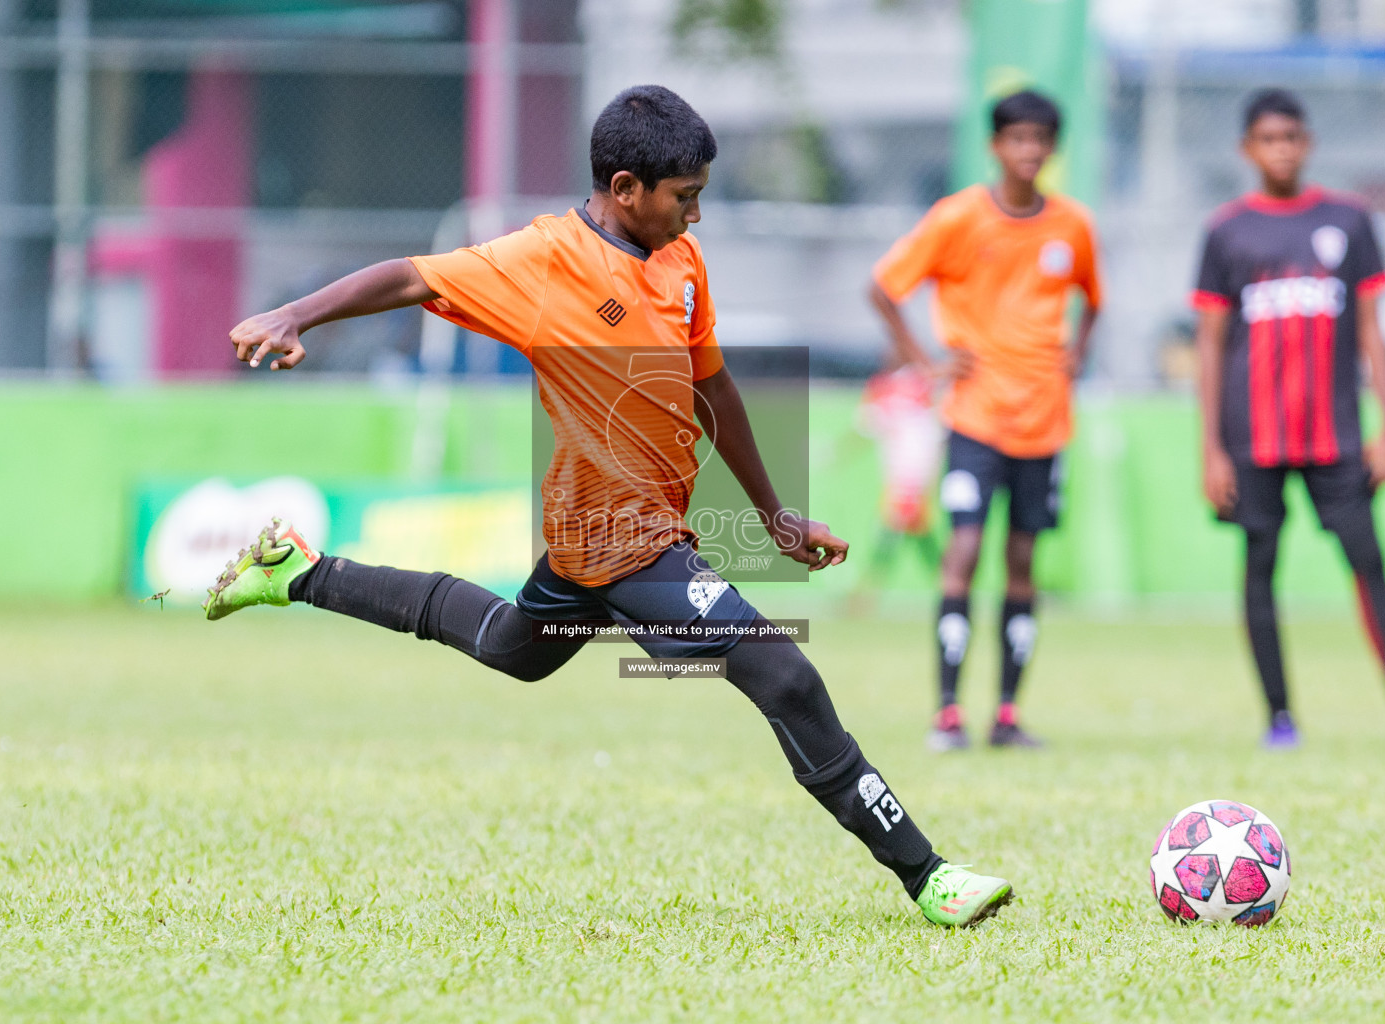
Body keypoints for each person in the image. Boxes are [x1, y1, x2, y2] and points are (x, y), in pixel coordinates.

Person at [203, 85, 1016, 925]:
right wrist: (295, 313)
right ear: (625, 188)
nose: (693, 217)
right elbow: (410, 276)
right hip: (621, 539)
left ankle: (300, 571)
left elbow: (714, 389)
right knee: (785, 675)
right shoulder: (541, 260)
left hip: (603, 531)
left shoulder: (681, 262)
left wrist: (774, 513)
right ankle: (930, 877)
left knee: (509, 647)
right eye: (684, 199)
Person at [1193, 87, 1385, 748]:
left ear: (1307, 143)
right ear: (1248, 149)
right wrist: (1211, 449)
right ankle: (1279, 717)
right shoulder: (1226, 230)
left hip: (1336, 436)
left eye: (1291, 138)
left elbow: (1371, 332)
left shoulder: (1349, 221)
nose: (1281, 150)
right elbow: (1210, 344)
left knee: (1369, 563)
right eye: (1268, 139)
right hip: (1253, 438)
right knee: (1260, 567)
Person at [868, 89, 1102, 752]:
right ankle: (947, 711)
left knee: (1023, 560)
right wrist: (924, 361)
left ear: (1053, 148)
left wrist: (1078, 353)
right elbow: (883, 287)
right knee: (963, 552)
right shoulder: (957, 218)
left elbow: (1095, 298)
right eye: (1016, 139)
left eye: (1040, 139)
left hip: (1045, 422)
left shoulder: (1072, 227)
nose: (1028, 151)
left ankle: (1006, 714)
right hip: (974, 417)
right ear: (995, 146)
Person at [854, 359, 943, 587]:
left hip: (912, 477)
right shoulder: (884, 387)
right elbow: (866, 427)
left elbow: (935, 435)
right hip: (901, 476)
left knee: (893, 528)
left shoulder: (922, 386)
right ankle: (948, 584)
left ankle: (866, 588)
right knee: (915, 531)